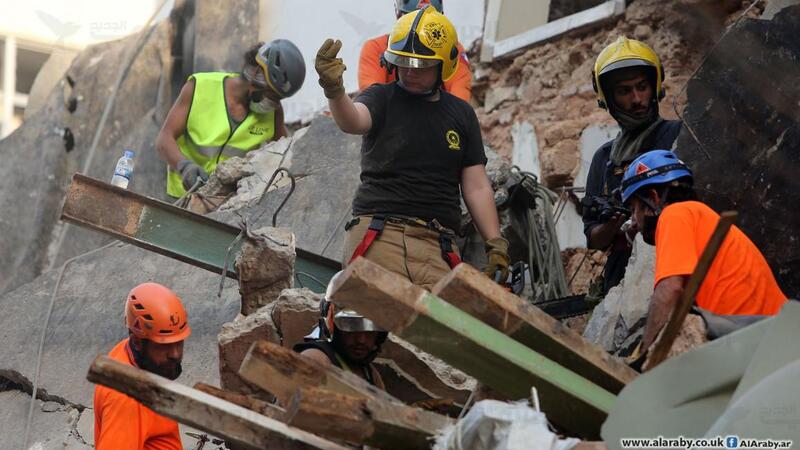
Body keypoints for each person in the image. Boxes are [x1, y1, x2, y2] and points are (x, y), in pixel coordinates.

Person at [315, 6, 509, 289]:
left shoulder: (461, 115)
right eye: (403, 61)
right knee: (380, 314)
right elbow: (353, 120)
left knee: (437, 318)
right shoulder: (381, 97)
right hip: (379, 235)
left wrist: (496, 244)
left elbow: (476, 186)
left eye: (420, 65)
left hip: (437, 246)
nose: (409, 71)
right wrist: (334, 91)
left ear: (444, 64)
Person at [620, 150, 787, 350]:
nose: (634, 221)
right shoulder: (698, 216)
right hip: (775, 332)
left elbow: (669, 290)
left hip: (759, 338)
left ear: (653, 197)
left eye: (634, 209)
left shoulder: (674, 215)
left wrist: (644, 353)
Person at [582, 36, 682, 295]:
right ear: (609, 99)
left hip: (675, 262)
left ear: (655, 87)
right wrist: (613, 225)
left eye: (642, 87)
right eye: (624, 91)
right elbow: (593, 238)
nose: (637, 99)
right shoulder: (604, 158)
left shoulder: (679, 135)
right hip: (623, 278)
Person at [156, 40, 306, 198]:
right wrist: (185, 167)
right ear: (257, 75)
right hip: (181, 197)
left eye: (278, 98)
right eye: (272, 95)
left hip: (225, 203)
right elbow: (164, 139)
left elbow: (284, 159)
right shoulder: (201, 87)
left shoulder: (274, 113)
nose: (273, 103)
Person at [94, 282, 192, 450]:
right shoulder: (127, 399)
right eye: (164, 346)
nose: (175, 354)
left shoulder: (130, 354)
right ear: (137, 342)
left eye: (179, 343)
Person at [358, 0, 472, 102]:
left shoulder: (451, 49)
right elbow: (372, 96)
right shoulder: (376, 47)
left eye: (428, 25)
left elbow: (460, 90)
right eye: (411, 21)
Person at [295, 273, 387, 389]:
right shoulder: (316, 360)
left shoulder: (369, 374)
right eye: (352, 327)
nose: (361, 340)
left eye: (370, 331)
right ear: (333, 324)